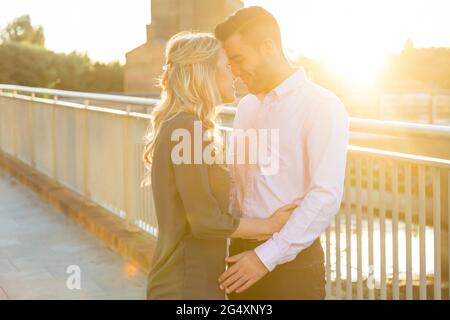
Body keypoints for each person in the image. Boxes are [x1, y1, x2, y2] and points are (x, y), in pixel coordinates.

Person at [142, 31, 296, 300]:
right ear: (205, 73)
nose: (235, 74)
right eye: (227, 67)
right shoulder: (188, 128)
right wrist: (270, 225)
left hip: (191, 280)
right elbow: (204, 221)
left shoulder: (183, 125)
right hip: (187, 286)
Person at [215, 6, 350, 299]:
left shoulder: (322, 105)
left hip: (292, 268)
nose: (235, 73)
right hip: (238, 258)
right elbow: (236, 184)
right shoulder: (247, 106)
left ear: (268, 47)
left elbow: (325, 196)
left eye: (238, 60)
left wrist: (264, 257)